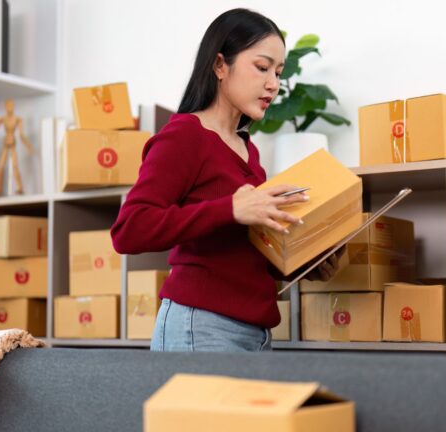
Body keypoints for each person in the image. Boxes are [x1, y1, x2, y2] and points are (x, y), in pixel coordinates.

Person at [110, 8, 343, 352]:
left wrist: (306, 265)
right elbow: (128, 230)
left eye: (278, 73)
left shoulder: (249, 152)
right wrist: (230, 208)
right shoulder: (185, 136)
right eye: (262, 68)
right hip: (201, 327)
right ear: (220, 65)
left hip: (254, 333)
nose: (273, 84)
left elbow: (239, 255)